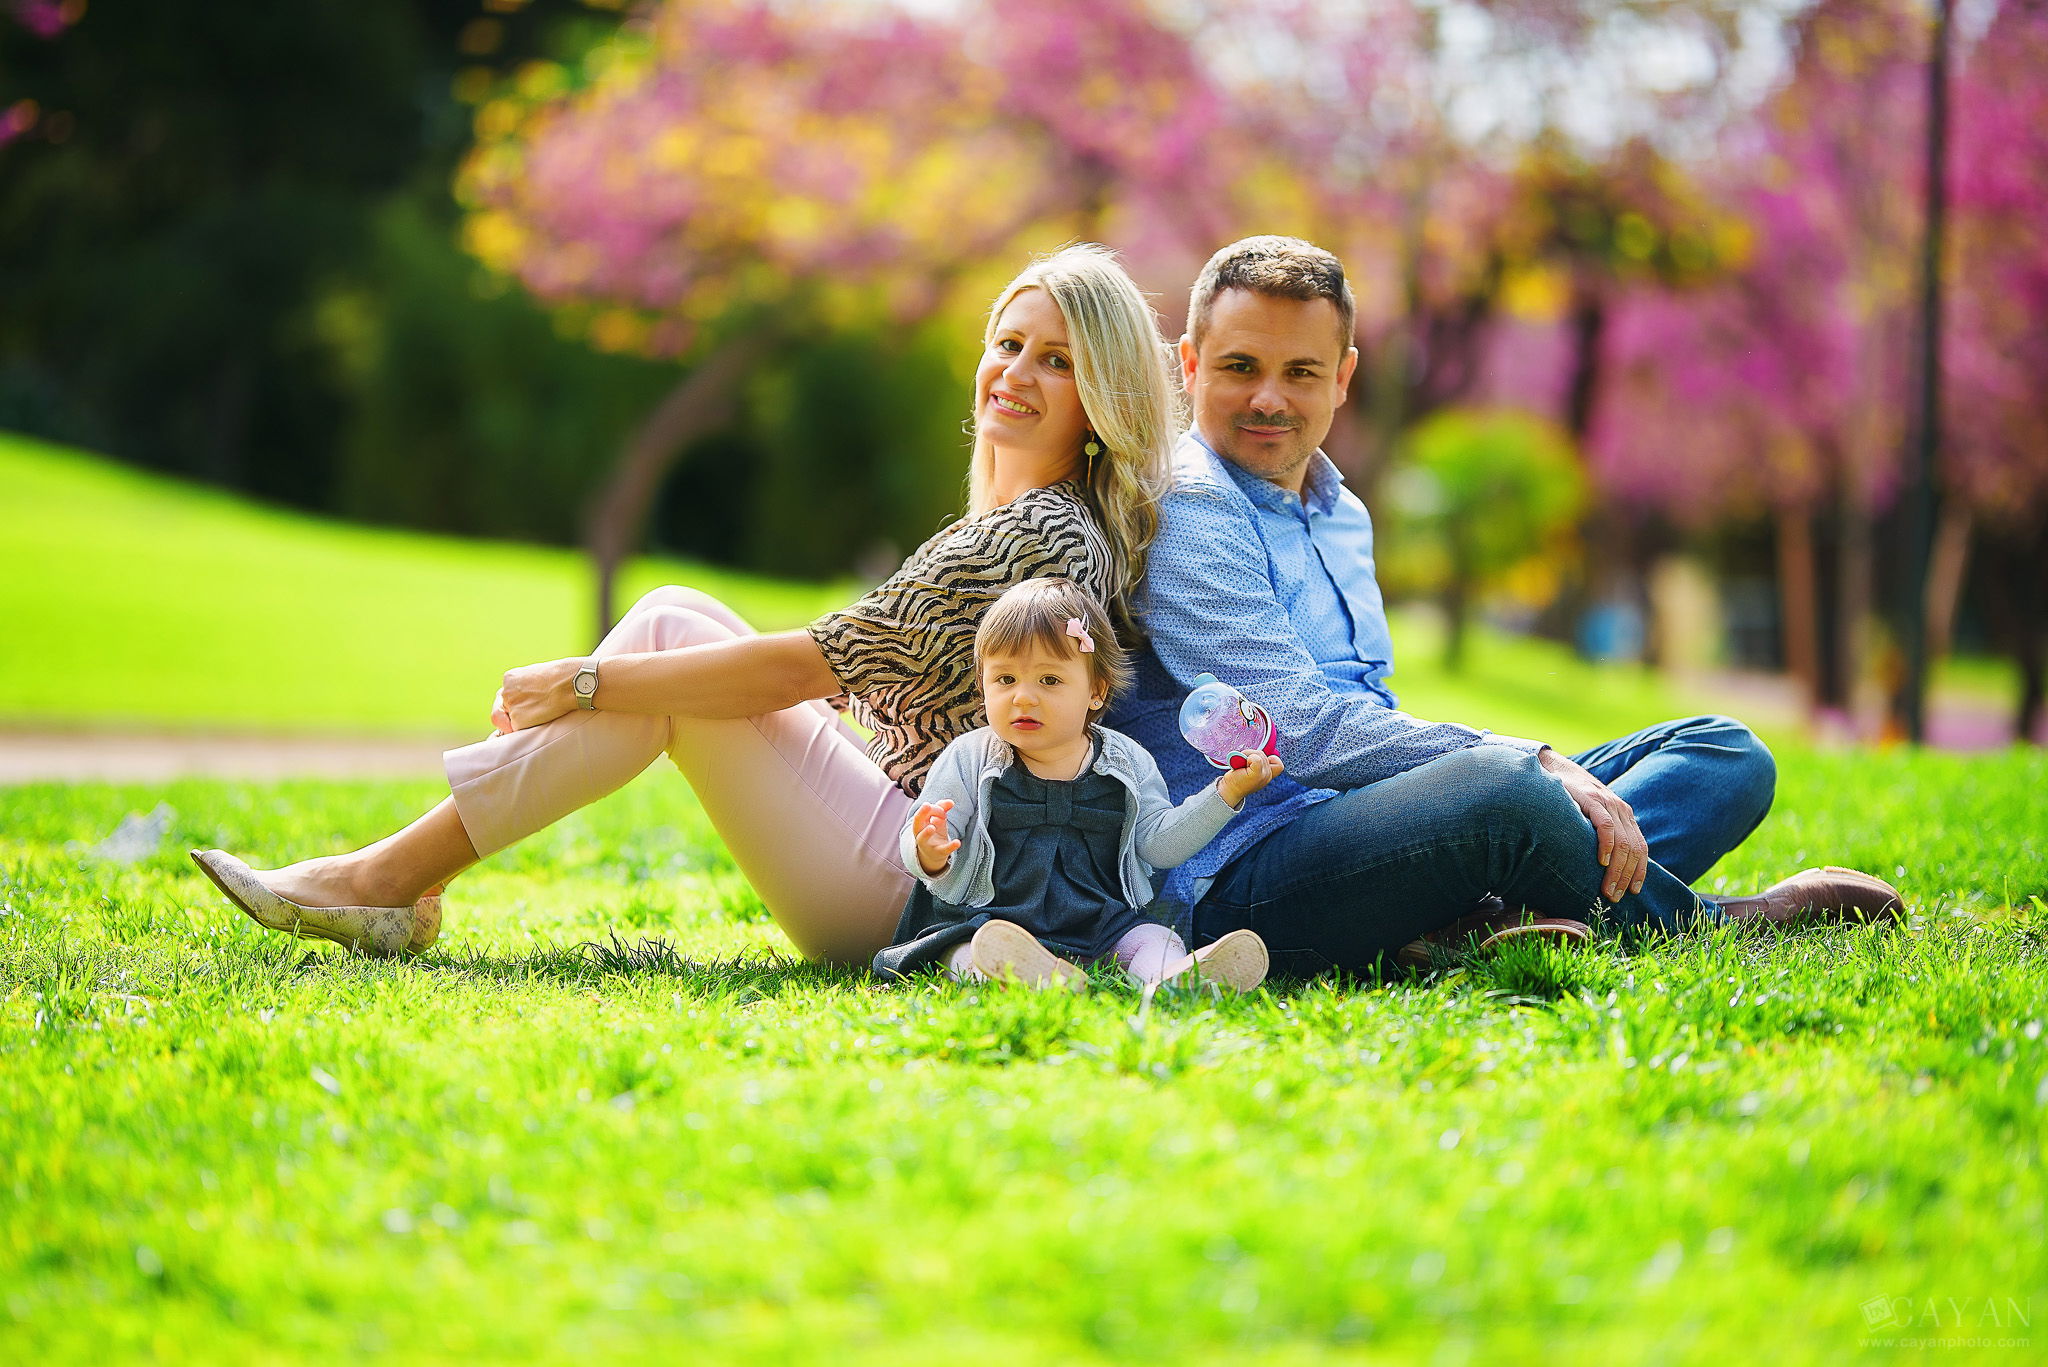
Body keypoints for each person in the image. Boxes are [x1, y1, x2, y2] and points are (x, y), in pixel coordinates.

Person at [190, 243, 1181, 965]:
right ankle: (405, 880)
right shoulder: (1048, 519)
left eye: (1057, 360)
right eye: (1008, 342)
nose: (1016, 372)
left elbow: (802, 668)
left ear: (1102, 397)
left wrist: (586, 682)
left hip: (928, 894)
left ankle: (385, 881)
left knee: (661, 644)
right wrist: (598, 682)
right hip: (928, 853)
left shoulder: (1032, 537)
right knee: (673, 614)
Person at [1104, 235, 1904, 979]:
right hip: (1248, 869)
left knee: (1725, 753)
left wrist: (1490, 786)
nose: (1269, 398)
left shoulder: (1341, 510)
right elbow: (1296, 731)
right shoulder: (1191, 506)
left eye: (1302, 372)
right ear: (1190, 365)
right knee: (1508, 790)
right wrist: (1531, 760)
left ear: (1342, 378)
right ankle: (1718, 923)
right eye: (1240, 366)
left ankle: (1484, 916)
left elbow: (1369, 707)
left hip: (1377, 830)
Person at [873, 577, 1280, 991]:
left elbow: (1159, 845)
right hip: (988, 917)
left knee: (1151, 939)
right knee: (965, 952)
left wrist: (1226, 793)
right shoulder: (970, 757)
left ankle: (1172, 976)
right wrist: (929, 850)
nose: (1023, 697)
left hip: (1099, 925)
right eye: (1005, 679)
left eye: (1049, 680)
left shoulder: (1126, 761)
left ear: (1096, 692)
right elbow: (926, 833)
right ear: (983, 685)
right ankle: (1024, 973)